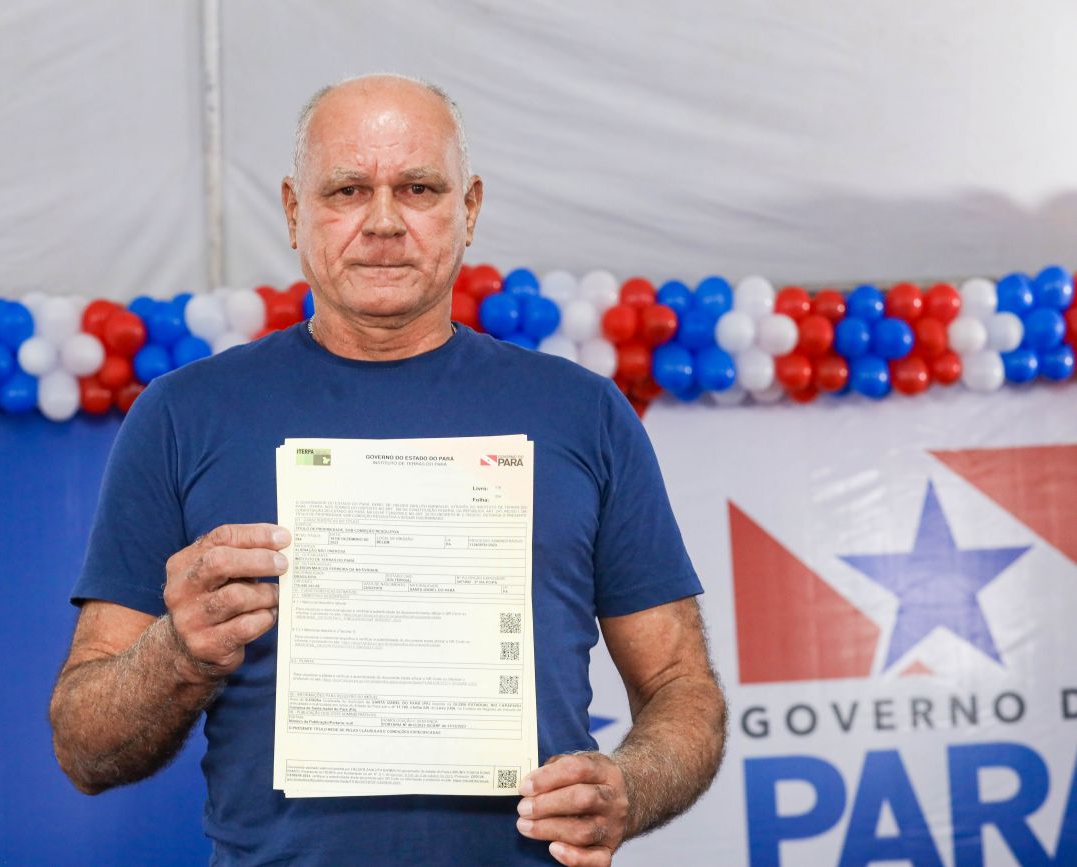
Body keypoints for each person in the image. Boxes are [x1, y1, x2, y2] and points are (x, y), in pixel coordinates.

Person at [49, 73, 726, 867]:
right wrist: (179, 650)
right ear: (294, 210)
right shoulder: (182, 414)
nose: (382, 221)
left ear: (469, 209)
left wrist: (630, 785)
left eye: (418, 188)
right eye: (346, 190)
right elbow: (83, 743)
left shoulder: (583, 412)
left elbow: (682, 686)